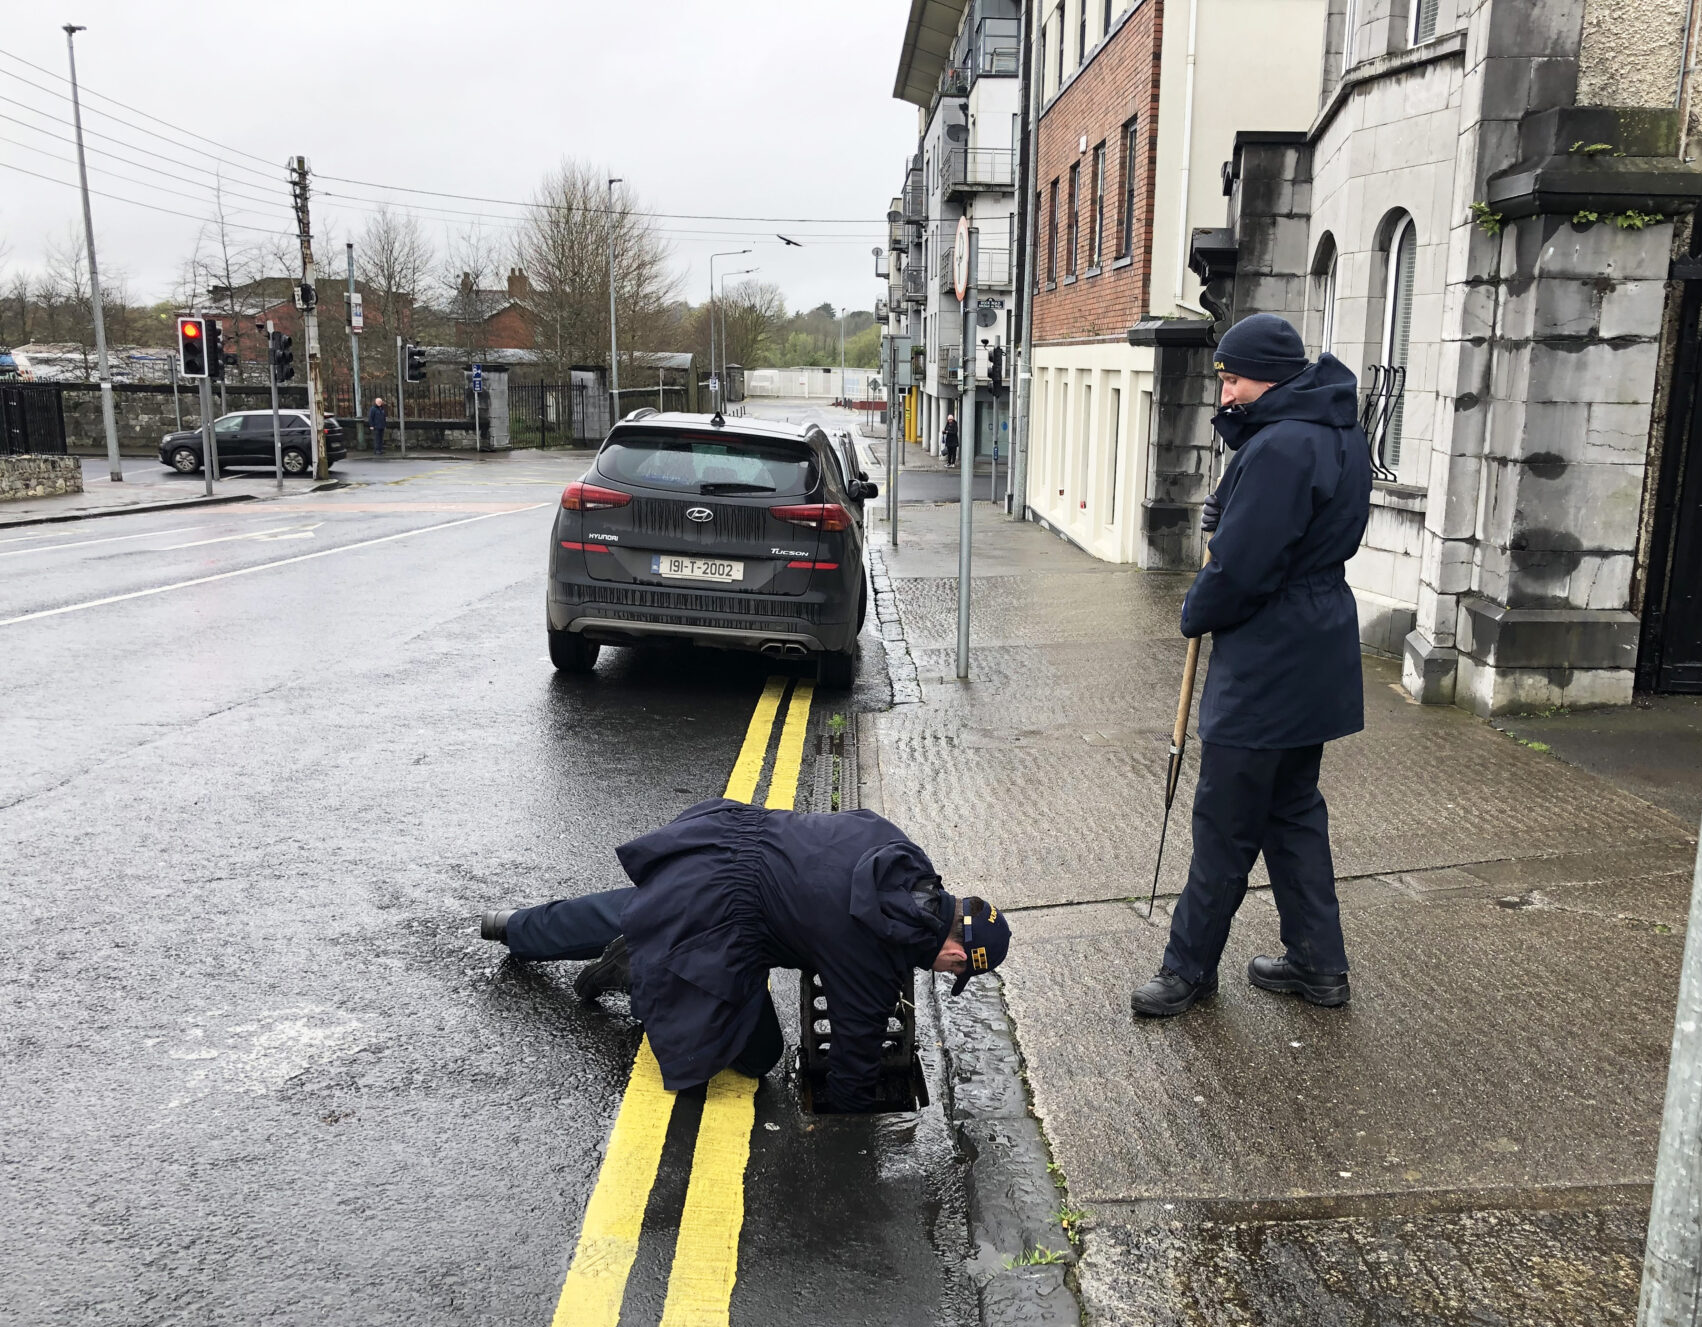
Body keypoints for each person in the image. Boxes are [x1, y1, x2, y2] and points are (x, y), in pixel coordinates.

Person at [1131, 313, 1370, 1019]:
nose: (1226, 393)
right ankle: (1319, 964)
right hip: (1318, 647)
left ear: (1266, 375)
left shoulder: (1281, 448)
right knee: (1293, 812)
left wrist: (1196, 609)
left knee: (1226, 823)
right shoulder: (1336, 430)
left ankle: (1188, 970)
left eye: (1232, 378)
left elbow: (1243, 568)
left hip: (1270, 658)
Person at [481, 798, 1012, 1112]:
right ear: (955, 951)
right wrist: (850, 1128)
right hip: (734, 921)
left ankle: (513, 927)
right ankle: (637, 968)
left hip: (729, 845)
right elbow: (854, 1058)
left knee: (633, 911)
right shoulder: (867, 961)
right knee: (758, 1059)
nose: (945, 975)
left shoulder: (901, 853)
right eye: (954, 970)